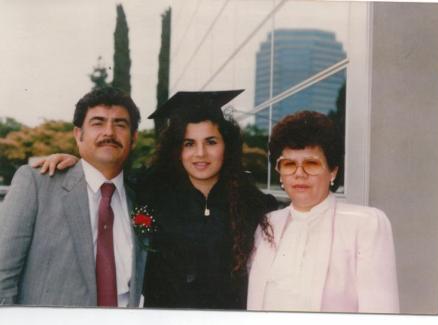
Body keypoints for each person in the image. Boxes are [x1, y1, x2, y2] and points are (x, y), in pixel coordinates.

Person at [32, 90, 277, 309]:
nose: (200, 153)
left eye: (211, 142)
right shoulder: (146, 192)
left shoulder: (254, 204)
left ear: (227, 146)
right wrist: (74, 161)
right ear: (176, 149)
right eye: (188, 143)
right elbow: (102, 173)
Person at [0, 87, 147, 307]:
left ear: (133, 138)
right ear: (78, 134)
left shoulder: (142, 199)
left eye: (120, 124)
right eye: (97, 123)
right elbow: (3, 276)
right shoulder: (37, 185)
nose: (109, 132)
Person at [247, 111, 399, 313]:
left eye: (311, 163)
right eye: (289, 164)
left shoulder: (366, 224)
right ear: (280, 173)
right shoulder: (268, 226)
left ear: (333, 170)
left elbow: (381, 314)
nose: (299, 174)